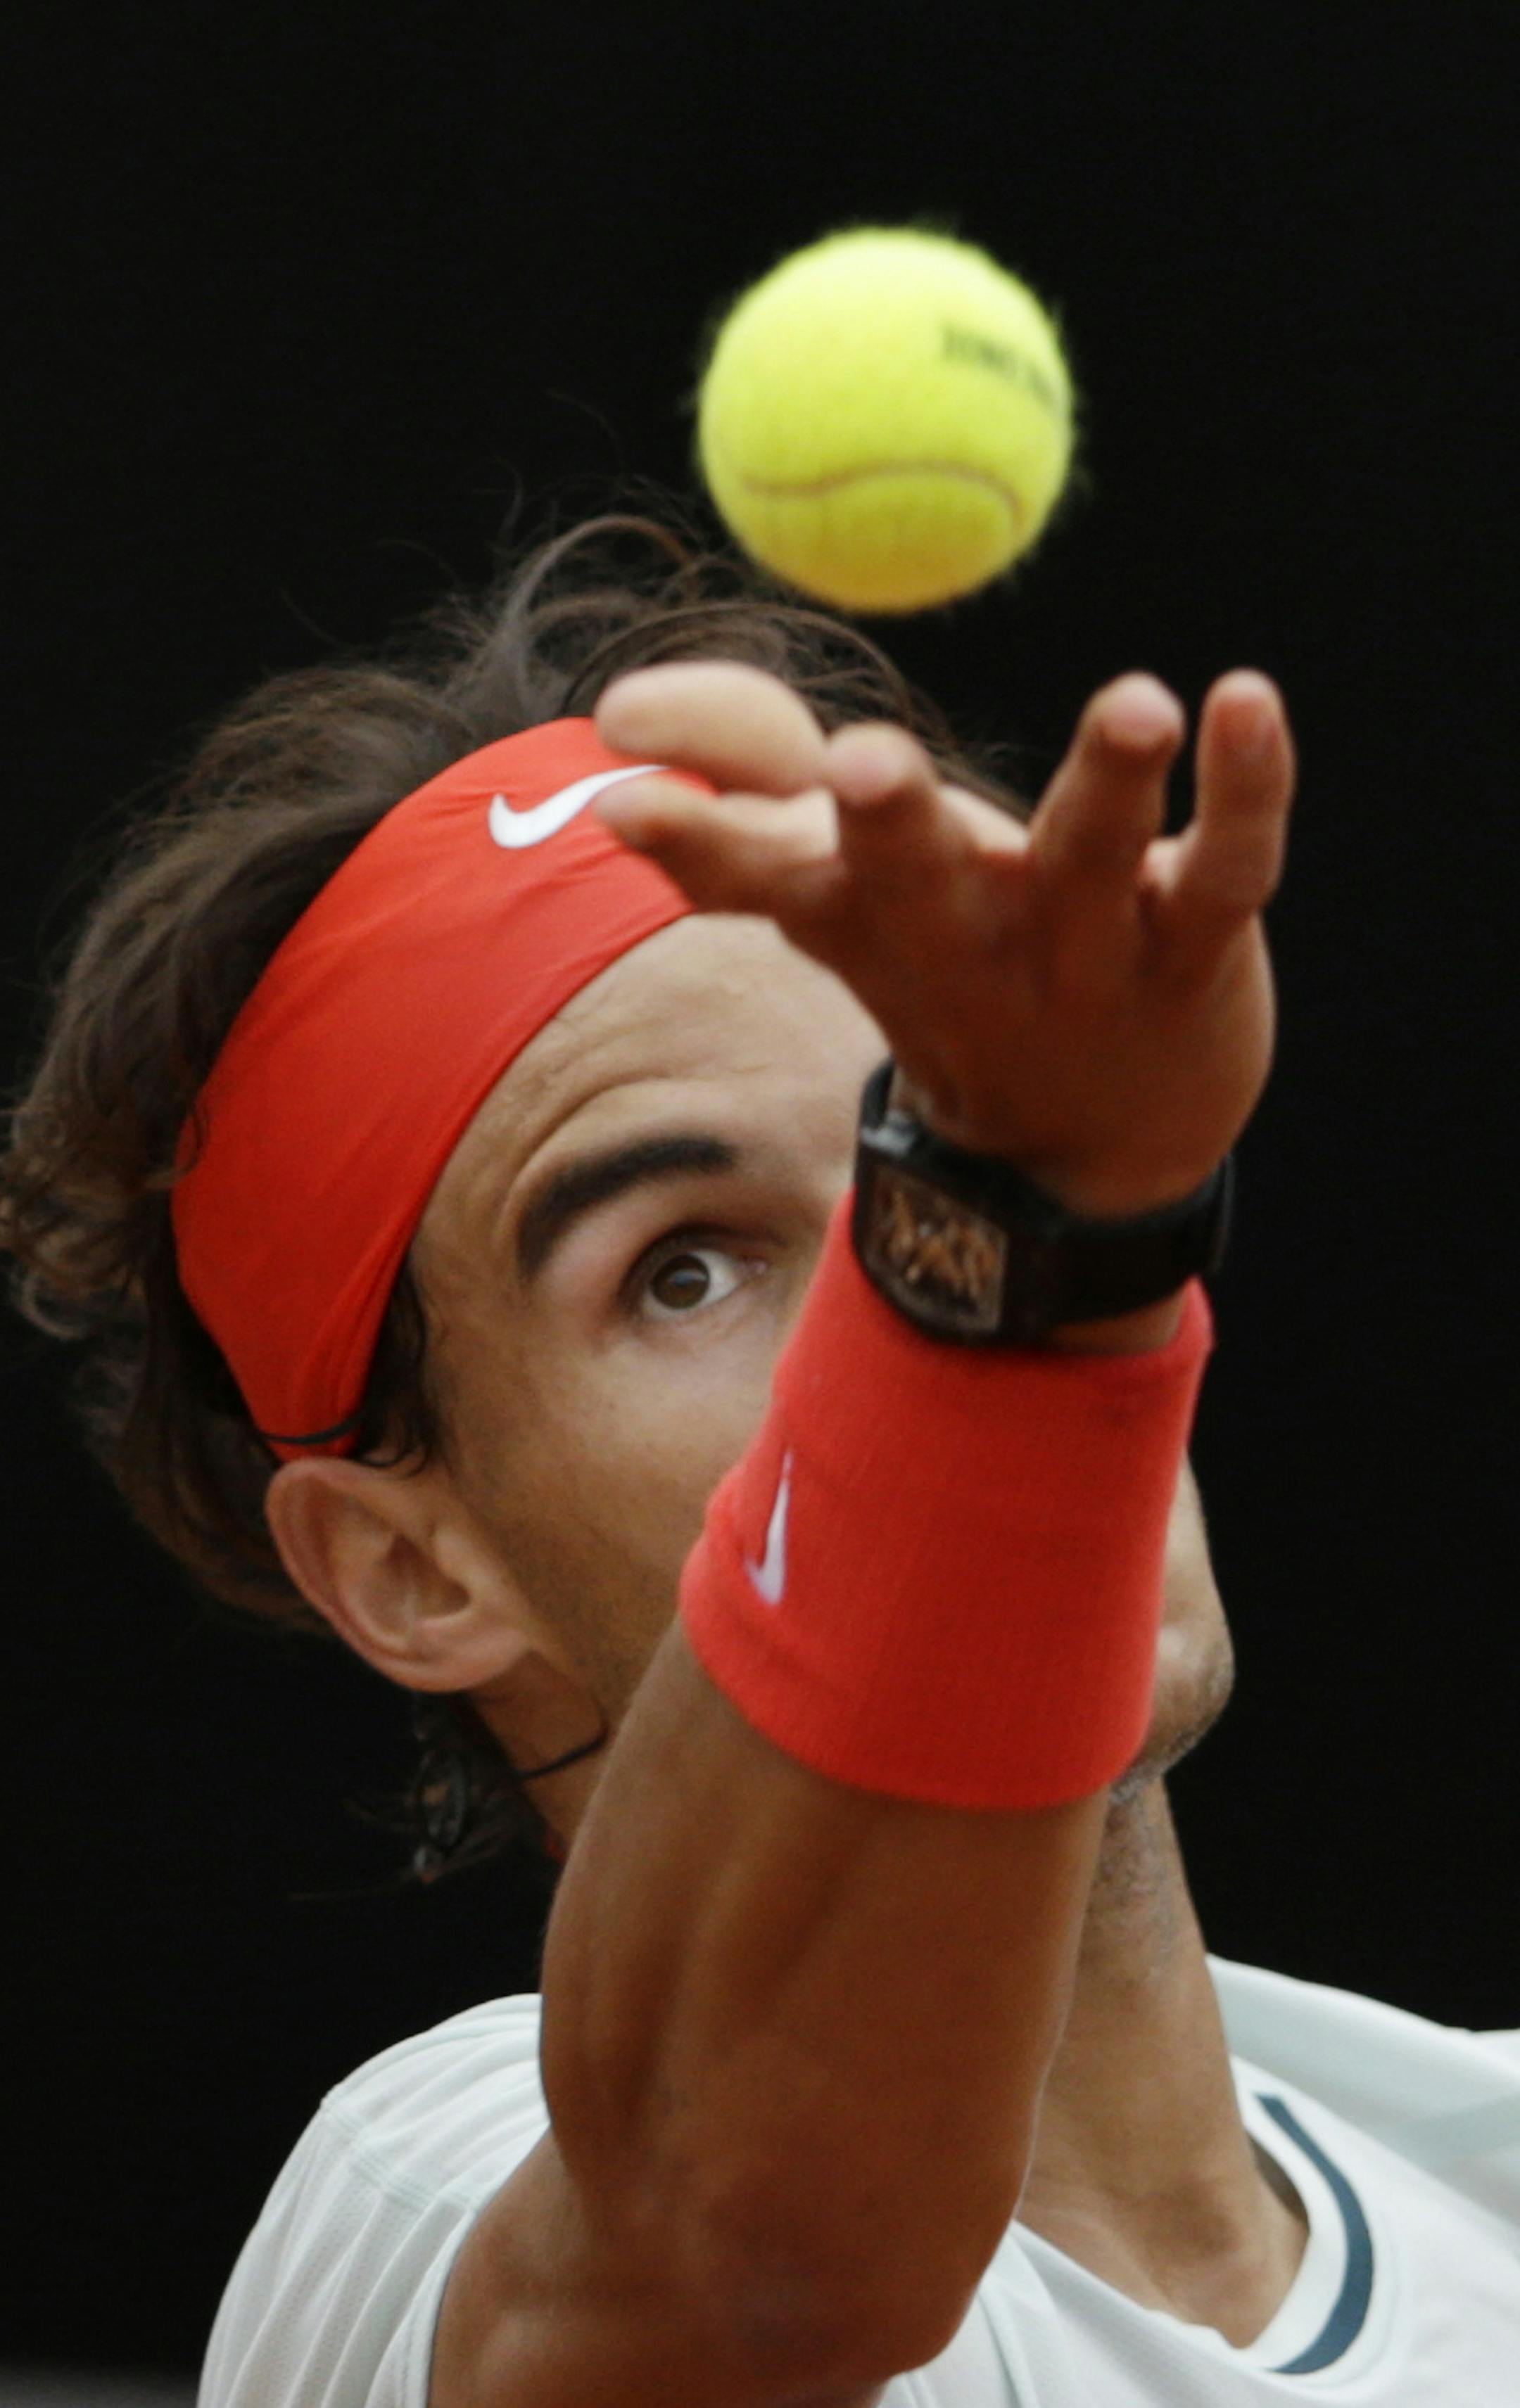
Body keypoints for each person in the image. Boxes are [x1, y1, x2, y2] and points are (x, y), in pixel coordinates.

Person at [6, 515, 1519, 2407]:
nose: (889, 1317)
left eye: (914, 1144)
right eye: (686, 1266)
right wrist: (1011, 1242)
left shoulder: (1490, 2171)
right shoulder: (429, 2196)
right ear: (411, 1564)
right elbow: (764, 2264)